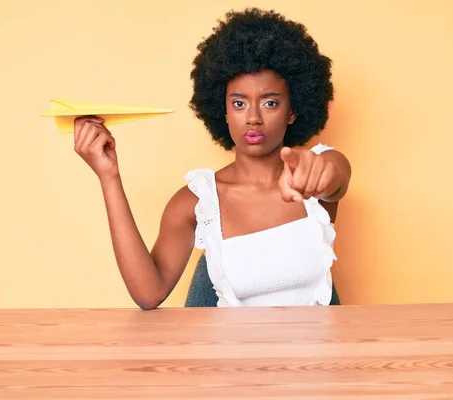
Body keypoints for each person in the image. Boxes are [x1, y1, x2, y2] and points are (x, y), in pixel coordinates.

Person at [72, 8, 351, 309]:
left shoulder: (318, 170)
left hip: (316, 354)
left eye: (270, 102)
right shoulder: (198, 200)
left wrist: (320, 174)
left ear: (293, 110)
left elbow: (334, 180)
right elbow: (149, 293)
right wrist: (108, 176)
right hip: (231, 355)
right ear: (224, 112)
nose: (254, 118)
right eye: (239, 103)